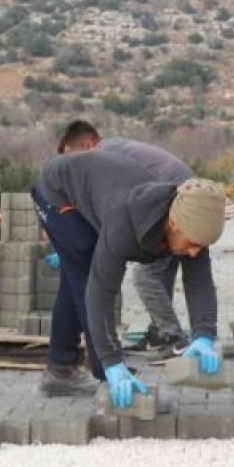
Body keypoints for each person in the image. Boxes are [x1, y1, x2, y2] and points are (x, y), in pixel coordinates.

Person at [33, 149, 224, 408]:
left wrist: (204, 335)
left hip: (98, 190)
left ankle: (59, 370)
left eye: (201, 247)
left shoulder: (193, 221)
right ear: (174, 225)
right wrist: (113, 363)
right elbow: (100, 293)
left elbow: (200, 283)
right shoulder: (124, 223)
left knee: (76, 274)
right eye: (191, 245)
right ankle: (108, 376)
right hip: (58, 193)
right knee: (86, 275)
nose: (194, 253)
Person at [56, 120, 204, 358]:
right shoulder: (117, 149)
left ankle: (174, 339)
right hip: (184, 202)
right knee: (159, 273)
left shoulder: (102, 157)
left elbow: (111, 211)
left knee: (146, 276)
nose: (72, 167)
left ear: (88, 144)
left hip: (178, 209)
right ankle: (158, 333)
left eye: (72, 158)